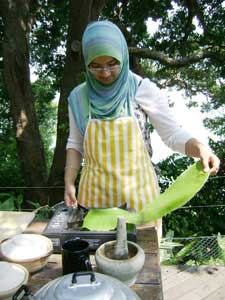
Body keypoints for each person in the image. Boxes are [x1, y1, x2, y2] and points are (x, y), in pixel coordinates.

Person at [64, 21, 220, 238]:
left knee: (142, 266)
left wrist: (200, 148)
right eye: (96, 65)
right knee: (99, 264)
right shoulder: (78, 98)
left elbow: (172, 134)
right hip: (97, 203)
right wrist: (69, 182)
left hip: (141, 204)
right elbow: (75, 143)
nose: (105, 73)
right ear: (86, 62)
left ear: (123, 55)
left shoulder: (141, 89)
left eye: (112, 63)